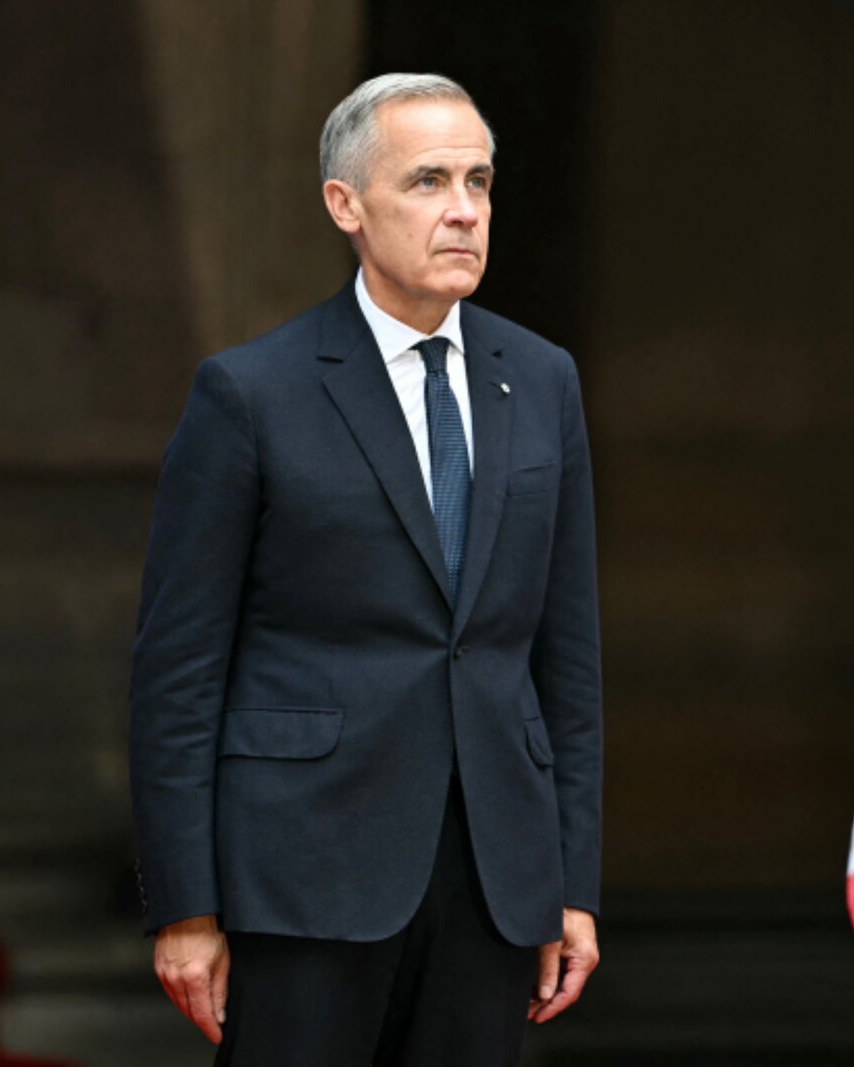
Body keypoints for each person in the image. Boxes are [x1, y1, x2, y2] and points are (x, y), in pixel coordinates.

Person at [128, 73, 603, 1066]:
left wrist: (570, 882)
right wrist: (185, 904)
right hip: (302, 874)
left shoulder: (542, 378)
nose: (464, 209)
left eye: (478, 180)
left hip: (494, 877)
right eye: (428, 180)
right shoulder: (249, 393)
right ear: (345, 204)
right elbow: (178, 671)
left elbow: (566, 657)